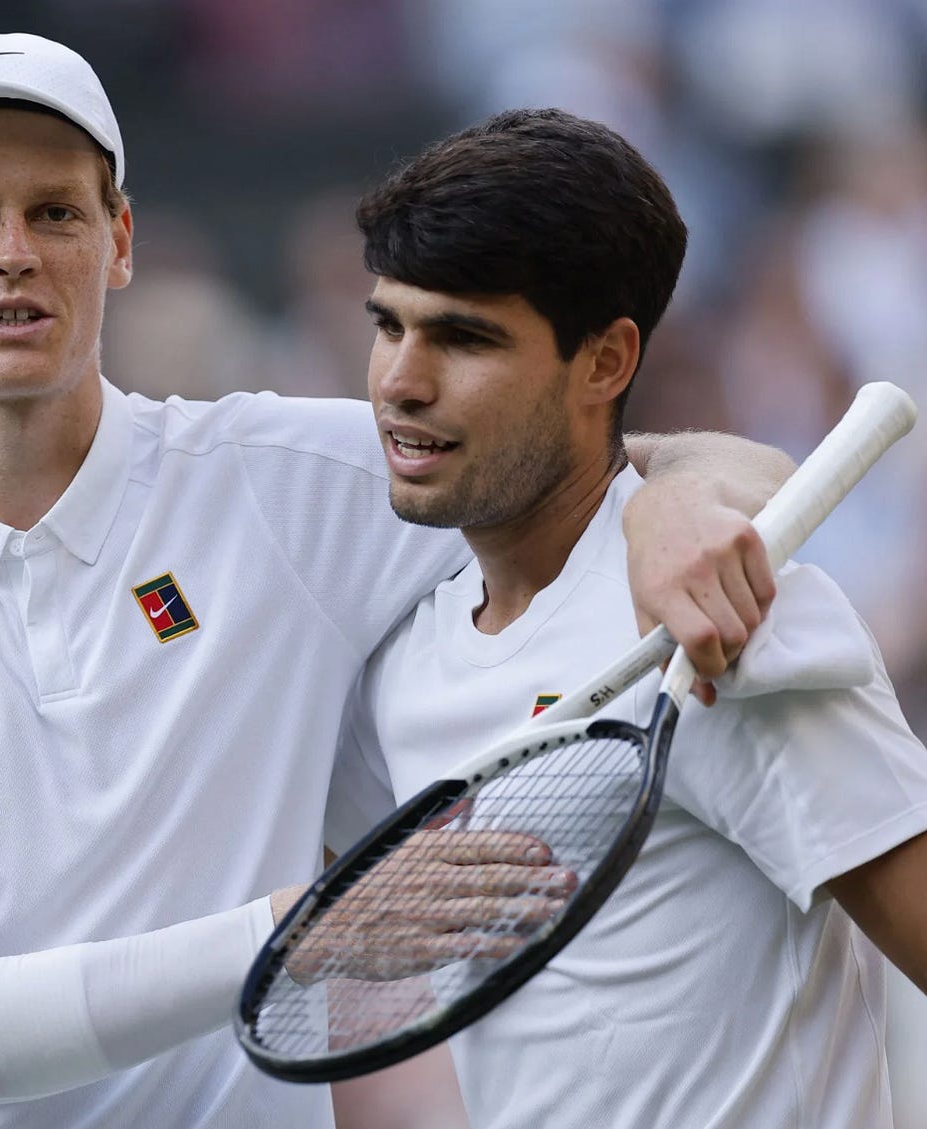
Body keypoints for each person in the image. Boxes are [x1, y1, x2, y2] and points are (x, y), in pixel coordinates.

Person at [0, 33, 793, 1129]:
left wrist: (669, 503)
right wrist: (298, 928)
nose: (13, 253)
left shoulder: (286, 483)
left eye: (56, 212)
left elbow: (670, 467)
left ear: (119, 242)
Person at [333, 108, 927, 1128]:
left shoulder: (733, 623)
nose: (401, 381)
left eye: (465, 338)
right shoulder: (406, 650)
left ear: (606, 361)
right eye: (388, 324)